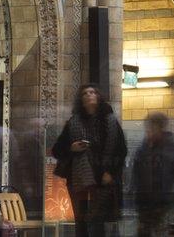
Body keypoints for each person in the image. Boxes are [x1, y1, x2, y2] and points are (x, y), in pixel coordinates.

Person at [52, 84, 127, 237]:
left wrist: (110, 172)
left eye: (92, 92)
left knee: (99, 221)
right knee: (81, 223)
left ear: (98, 96)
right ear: (81, 99)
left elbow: (120, 150)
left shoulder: (109, 121)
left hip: (102, 178)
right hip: (78, 179)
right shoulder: (74, 122)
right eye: (85, 93)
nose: (88, 95)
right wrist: (71, 148)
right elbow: (57, 150)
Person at [132, 112, 174, 237]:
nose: (149, 131)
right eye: (148, 128)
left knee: (160, 230)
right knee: (144, 231)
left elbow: (172, 170)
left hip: (161, 200)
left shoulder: (168, 145)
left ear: (160, 128)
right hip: (144, 199)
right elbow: (137, 169)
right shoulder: (144, 146)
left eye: (152, 128)